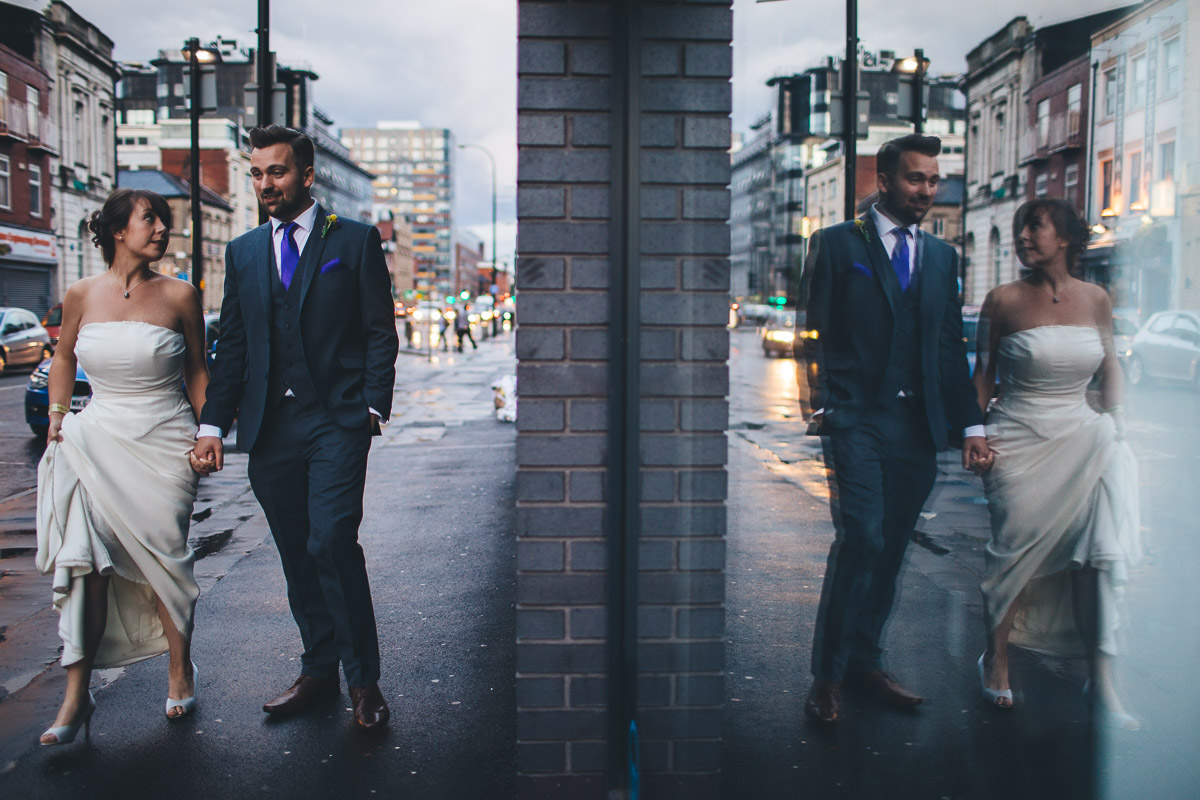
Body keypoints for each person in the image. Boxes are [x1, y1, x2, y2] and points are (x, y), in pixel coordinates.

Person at [192, 125, 399, 731]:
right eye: (256, 174)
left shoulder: (354, 240)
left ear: (306, 175)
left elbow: (379, 331)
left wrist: (371, 406)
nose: (264, 185)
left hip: (337, 419)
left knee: (331, 539)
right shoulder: (245, 251)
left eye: (276, 172)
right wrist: (212, 424)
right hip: (270, 427)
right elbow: (231, 347)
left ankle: (364, 682)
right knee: (296, 554)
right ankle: (318, 671)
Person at [796, 134, 989, 724]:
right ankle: (827, 677)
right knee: (863, 538)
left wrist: (970, 425)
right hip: (857, 421)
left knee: (890, 550)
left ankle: (865, 663)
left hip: (916, 428)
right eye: (915, 179)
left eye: (933, 180)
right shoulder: (833, 245)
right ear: (884, 182)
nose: (927, 191)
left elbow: (951, 349)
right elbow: (812, 333)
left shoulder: (941, 258)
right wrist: (825, 404)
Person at [34, 188, 211, 745]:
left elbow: (199, 372)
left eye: (163, 220)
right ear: (117, 230)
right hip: (96, 438)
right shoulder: (82, 293)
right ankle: (75, 698)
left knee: (167, 561)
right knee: (83, 563)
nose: (160, 228)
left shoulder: (181, 295)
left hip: (166, 443)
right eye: (148, 219)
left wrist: (209, 434)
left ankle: (180, 670)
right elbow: (62, 358)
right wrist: (58, 418)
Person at [973, 199, 1140, 727]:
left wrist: (1116, 419)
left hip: (1087, 440)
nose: (1024, 235)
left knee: (1095, 561)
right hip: (1019, 440)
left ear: (1065, 237)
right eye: (1022, 226)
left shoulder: (1096, 299)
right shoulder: (1002, 300)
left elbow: (1109, 364)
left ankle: (1102, 680)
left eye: (1034, 226)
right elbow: (983, 373)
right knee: (1012, 556)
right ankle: (995, 660)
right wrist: (974, 431)